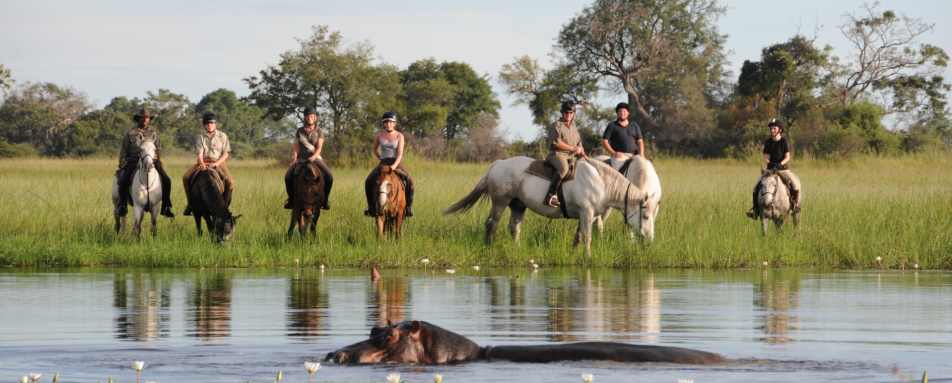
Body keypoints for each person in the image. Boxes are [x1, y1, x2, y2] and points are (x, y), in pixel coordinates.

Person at [116, 108, 174, 218]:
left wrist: (158, 159)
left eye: (147, 118)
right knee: (122, 180)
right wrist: (122, 163)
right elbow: (123, 150)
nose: (145, 120)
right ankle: (122, 205)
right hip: (133, 161)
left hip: (151, 160)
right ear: (138, 119)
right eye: (143, 118)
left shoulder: (153, 133)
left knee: (167, 180)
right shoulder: (130, 133)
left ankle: (166, 206)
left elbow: (158, 148)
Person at [746, 119, 801, 218]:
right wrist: (770, 163)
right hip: (770, 170)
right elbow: (766, 157)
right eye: (771, 128)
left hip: (783, 169)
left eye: (774, 128)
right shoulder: (768, 142)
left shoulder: (783, 141)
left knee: (795, 185)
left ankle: (795, 206)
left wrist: (780, 164)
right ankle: (755, 210)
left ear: (780, 130)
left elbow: (787, 157)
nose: (772, 130)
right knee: (756, 188)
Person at [182, 112, 235, 215]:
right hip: (203, 162)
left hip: (218, 162)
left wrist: (216, 164)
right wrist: (201, 163)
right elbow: (200, 153)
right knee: (186, 177)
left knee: (230, 182)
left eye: (211, 123)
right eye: (207, 123)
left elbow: (225, 154)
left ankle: (225, 206)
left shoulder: (222, 136)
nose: (209, 125)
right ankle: (190, 204)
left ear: (215, 124)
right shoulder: (200, 137)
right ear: (204, 125)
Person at [364, 111, 414, 217]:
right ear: (384, 123)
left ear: (394, 123)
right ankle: (371, 207)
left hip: (396, 163)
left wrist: (394, 166)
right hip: (383, 162)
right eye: (386, 122)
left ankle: (408, 207)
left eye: (391, 122)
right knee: (369, 180)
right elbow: (374, 149)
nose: (388, 124)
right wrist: (381, 158)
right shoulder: (379, 135)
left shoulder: (399, 136)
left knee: (409, 181)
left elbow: (400, 154)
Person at [284, 107, 333, 209]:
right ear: (305, 118)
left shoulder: (319, 131)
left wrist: (314, 157)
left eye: (312, 116)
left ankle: (325, 200)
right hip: (301, 159)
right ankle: (291, 200)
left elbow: (319, 148)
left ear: (315, 118)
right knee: (288, 176)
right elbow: (296, 147)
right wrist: (294, 158)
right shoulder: (299, 131)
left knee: (329, 176)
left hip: (316, 158)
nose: (309, 118)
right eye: (307, 116)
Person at [544, 101, 585, 207]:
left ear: (574, 114)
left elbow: (579, 143)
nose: (569, 115)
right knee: (564, 169)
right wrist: (573, 148)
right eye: (566, 113)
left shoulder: (574, 126)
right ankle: (550, 196)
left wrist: (584, 155)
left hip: (571, 156)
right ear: (562, 113)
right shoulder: (557, 125)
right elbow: (557, 142)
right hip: (557, 154)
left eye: (571, 113)